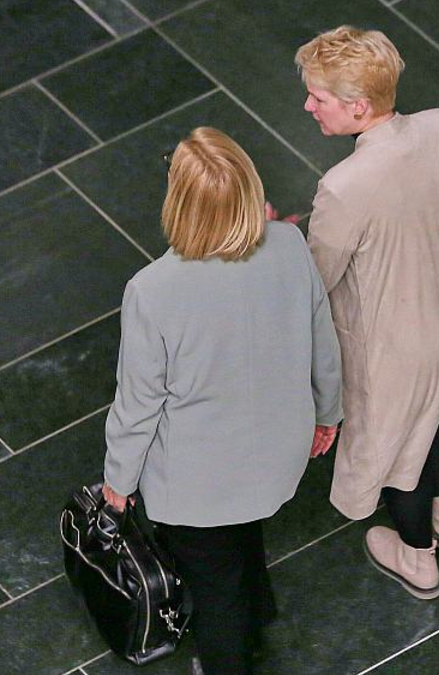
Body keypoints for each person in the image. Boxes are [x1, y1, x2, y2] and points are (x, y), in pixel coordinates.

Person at [101, 127, 343, 675]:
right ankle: (257, 616)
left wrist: (119, 482)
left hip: (198, 483)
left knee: (215, 590)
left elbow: (138, 406)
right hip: (277, 455)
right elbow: (322, 341)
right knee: (246, 535)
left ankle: (231, 654)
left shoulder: (152, 291)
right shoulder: (288, 245)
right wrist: (328, 414)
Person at [294, 27, 439, 600]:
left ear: (358, 106)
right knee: (431, 418)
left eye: (318, 96)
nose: (308, 105)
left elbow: (318, 279)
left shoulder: (344, 185)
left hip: (400, 346)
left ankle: (418, 558)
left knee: (394, 448)